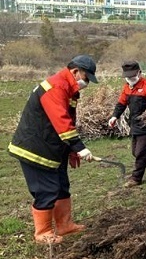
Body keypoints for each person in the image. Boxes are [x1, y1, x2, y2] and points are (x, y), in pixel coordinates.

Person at [8, 55, 98, 244]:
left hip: (53, 147)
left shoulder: (69, 89)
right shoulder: (56, 87)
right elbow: (62, 122)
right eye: (86, 77)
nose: (87, 82)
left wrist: (71, 150)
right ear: (75, 72)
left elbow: (69, 119)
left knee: (62, 185)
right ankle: (43, 233)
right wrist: (80, 147)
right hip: (35, 148)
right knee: (46, 190)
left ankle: (64, 225)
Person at [108, 61, 146, 188]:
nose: (130, 79)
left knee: (140, 152)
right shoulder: (126, 87)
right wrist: (114, 116)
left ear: (139, 73)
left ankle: (136, 178)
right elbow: (121, 104)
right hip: (134, 123)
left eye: (132, 76)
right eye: (127, 77)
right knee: (136, 152)